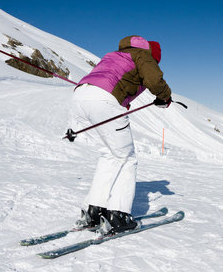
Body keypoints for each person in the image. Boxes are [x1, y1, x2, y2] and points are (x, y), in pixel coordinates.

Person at [71, 35, 172, 235]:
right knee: (126, 159)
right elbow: (154, 79)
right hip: (103, 101)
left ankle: (94, 210)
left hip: (80, 97)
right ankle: (118, 216)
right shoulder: (143, 56)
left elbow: (115, 81)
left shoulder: (115, 54)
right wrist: (165, 97)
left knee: (109, 155)